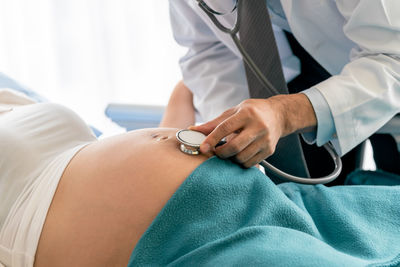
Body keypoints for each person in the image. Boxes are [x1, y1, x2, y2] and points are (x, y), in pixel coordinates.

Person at [1, 85, 400, 267]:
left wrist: (183, 102)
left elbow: (98, 162)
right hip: (183, 248)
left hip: (265, 204)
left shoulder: (12, 98)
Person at [168, 0, 400, 177]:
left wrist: (286, 113)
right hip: (286, 83)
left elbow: (394, 60)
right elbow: (210, 51)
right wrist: (232, 131)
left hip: (381, 76)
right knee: (314, 200)